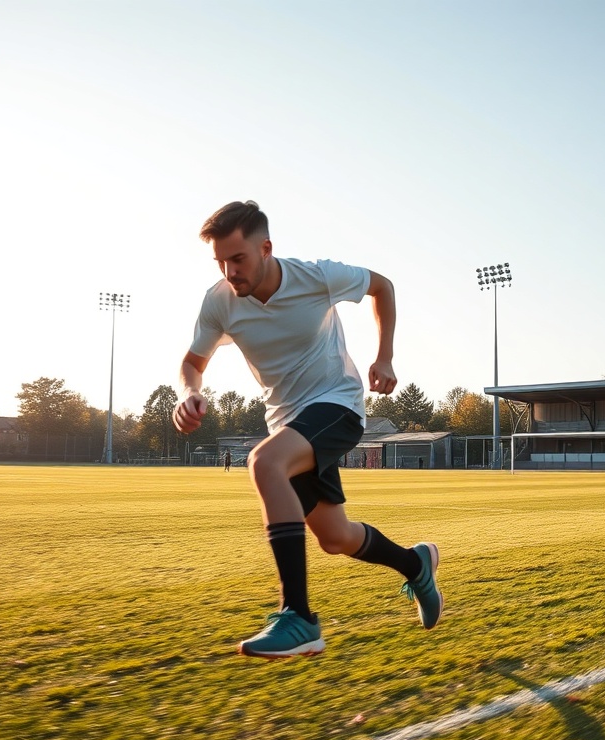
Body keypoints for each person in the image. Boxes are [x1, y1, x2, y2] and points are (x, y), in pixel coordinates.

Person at [172, 200, 442, 659]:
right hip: (288, 420)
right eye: (220, 261)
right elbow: (192, 363)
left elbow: (383, 286)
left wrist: (385, 356)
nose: (229, 271)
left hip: (337, 404)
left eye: (237, 259)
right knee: (335, 537)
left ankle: (299, 617)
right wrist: (187, 393)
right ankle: (415, 564)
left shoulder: (316, 277)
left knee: (264, 462)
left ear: (266, 248)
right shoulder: (219, 301)